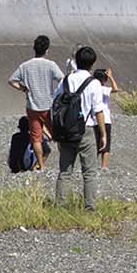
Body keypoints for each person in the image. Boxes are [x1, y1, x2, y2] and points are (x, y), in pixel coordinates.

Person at [50, 46, 109, 210]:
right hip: (86, 130)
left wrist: (53, 129)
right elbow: (98, 110)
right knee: (89, 172)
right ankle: (90, 207)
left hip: (65, 130)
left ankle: (60, 206)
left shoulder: (65, 80)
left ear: (76, 60)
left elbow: (54, 104)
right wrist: (103, 134)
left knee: (65, 171)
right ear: (92, 63)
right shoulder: (94, 83)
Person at [7, 35, 64, 172]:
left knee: (36, 137)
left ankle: (41, 166)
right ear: (47, 50)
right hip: (48, 104)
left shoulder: (25, 66)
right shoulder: (50, 65)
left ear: (34, 48)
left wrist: (23, 89)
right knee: (58, 134)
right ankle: (64, 162)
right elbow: (62, 80)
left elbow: (12, 80)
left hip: (32, 106)